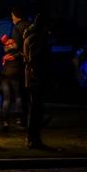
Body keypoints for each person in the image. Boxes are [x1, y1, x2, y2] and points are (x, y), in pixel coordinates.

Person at [23, 13, 52, 150]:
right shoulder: (37, 38)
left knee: (34, 108)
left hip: (32, 76)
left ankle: (32, 138)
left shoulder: (30, 36)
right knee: (35, 109)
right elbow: (35, 58)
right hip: (36, 77)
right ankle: (33, 139)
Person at [0, 32, 24, 131]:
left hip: (5, 76)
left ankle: (5, 122)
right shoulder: (18, 54)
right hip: (15, 76)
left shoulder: (4, 55)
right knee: (18, 97)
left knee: (6, 99)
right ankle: (18, 120)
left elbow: (0, 65)